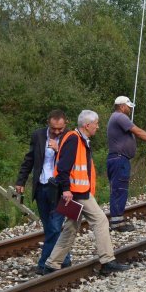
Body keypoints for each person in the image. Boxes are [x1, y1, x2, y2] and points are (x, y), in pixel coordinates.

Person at [43, 110, 130, 275]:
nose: (97, 127)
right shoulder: (74, 139)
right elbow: (62, 167)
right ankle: (107, 261)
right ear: (87, 125)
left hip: (77, 191)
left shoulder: (79, 139)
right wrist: (67, 189)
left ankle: (52, 263)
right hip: (76, 193)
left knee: (70, 228)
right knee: (101, 221)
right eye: (96, 123)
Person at [15, 109, 72, 274]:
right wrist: (21, 181)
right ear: (49, 123)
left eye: (60, 129)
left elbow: (72, 162)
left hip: (60, 189)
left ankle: (44, 264)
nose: (56, 132)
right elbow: (29, 159)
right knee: (48, 227)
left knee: (55, 227)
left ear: (65, 124)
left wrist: (58, 149)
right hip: (41, 187)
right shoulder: (38, 135)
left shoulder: (70, 138)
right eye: (54, 128)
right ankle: (65, 259)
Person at [106, 95, 146, 232]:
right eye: (129, 107)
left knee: (119, 189)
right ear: (122, 106)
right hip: (119, 160)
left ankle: (117, 220)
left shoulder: (116, 117)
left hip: (118, 159)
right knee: (120, 190)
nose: (130, 109)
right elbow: (137, 131)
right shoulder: (120, 117)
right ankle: (117, 223)